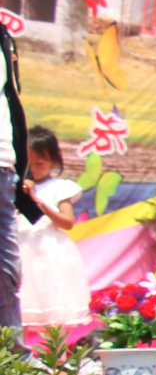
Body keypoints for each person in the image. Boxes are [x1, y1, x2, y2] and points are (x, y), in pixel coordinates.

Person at [0, 0, 37, 336]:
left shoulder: (4, 37)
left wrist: (20, 170)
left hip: (3, 169)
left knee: (6, 275)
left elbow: (11, 102)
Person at [18, 127, 90, 329]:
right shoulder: (15, 186)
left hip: (50, 251)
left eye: (40, 163)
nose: (34, 168)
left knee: (55, 305)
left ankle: (56, 357)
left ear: (54, 160)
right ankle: (12, 358)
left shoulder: (60, 187)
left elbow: (67, 222)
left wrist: (42, 206)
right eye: (29, 163)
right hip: (20, 248)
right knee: (21, 305)